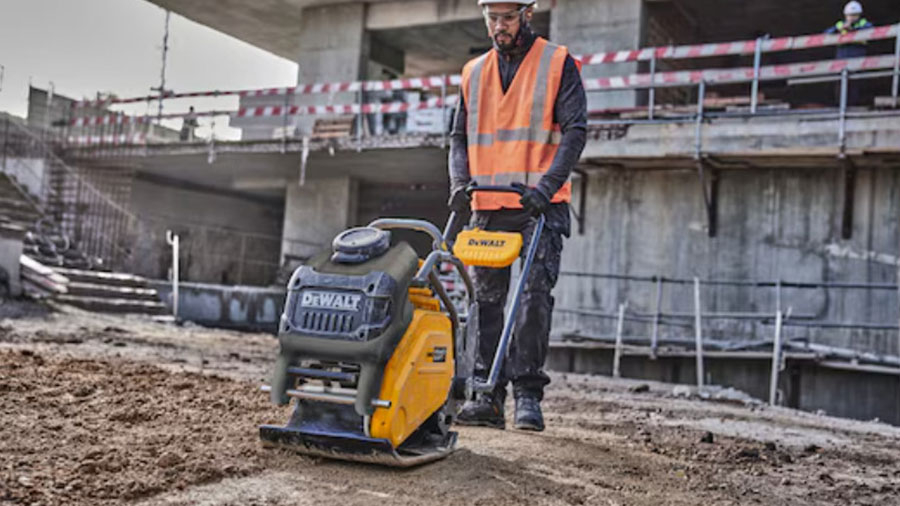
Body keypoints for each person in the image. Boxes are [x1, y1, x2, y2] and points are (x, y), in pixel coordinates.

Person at [447, 0, 586, 431]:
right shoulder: (473, 73)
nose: (499, 26)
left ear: (527, 15)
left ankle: (528, 395)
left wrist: (546, 188)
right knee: (485, 301)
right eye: (493, 18)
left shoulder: (557, 63)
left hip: (538, 204)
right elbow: (458, 137)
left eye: (507, 18)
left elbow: (575, 131)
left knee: (532, 297)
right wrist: (459, 183)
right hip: (488, 204)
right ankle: (486, 397)